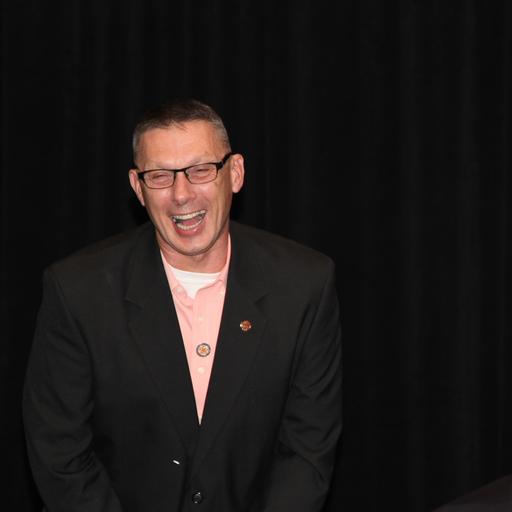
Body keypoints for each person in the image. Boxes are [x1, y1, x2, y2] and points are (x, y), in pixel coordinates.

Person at [23, 99, 342, 511]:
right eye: (159, 176)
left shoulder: (303, 285)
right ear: (138, 187)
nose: (181, 194)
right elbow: (59, 452)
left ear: (235, 173)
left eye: (200, 170)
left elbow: (307, 451)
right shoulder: (78, 291)